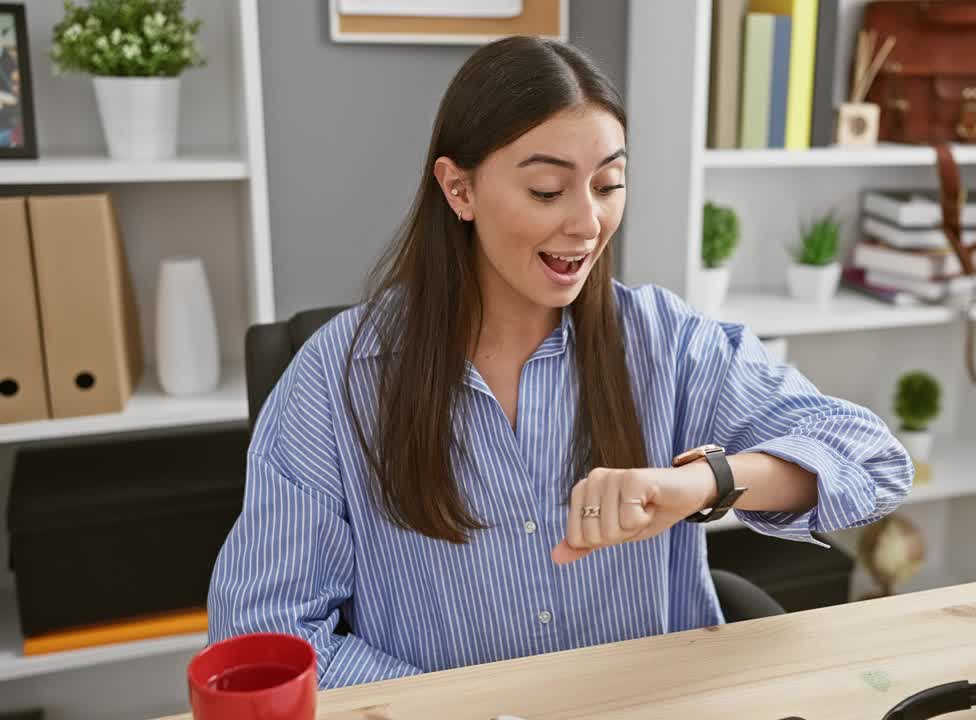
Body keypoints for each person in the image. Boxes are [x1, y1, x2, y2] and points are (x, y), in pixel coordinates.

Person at [207, 36, 913, 690]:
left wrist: (703, 484)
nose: (586, 222)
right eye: (547, 190)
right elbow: (264, 634)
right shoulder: (339, 378)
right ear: (459, 190)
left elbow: (874, 462)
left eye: (608, 185)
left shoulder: (662, 340)